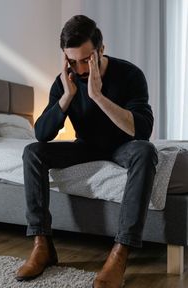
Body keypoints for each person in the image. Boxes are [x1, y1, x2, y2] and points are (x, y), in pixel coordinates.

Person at [16, 15, 158, 288]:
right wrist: (67, 96)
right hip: (85, 146)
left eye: (85, 60)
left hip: (123, 146)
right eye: (72, 61)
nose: (80, 69)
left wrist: (98, 97)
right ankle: (42, 244)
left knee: (145, 151)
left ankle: (120, 252)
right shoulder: (64, 82)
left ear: (100, 50)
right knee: (32, 152)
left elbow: (141, 130)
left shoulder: (130, 75)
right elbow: (42, 134)